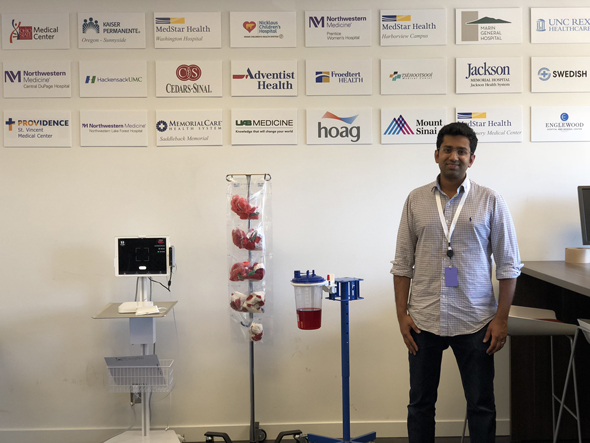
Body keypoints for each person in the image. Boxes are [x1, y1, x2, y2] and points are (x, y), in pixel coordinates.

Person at [390, 122, 522, 443]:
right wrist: (402, 316)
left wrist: (501, 319)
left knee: (481, 405)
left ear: (471, 159)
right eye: (447, 149)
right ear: (436, 154)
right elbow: (402, 263)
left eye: (461, 151)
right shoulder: (415, 200)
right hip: (424, 320)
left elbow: (508, 266)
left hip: (476, 321)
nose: (454, 156)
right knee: (420, 405)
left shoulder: (491, 200)